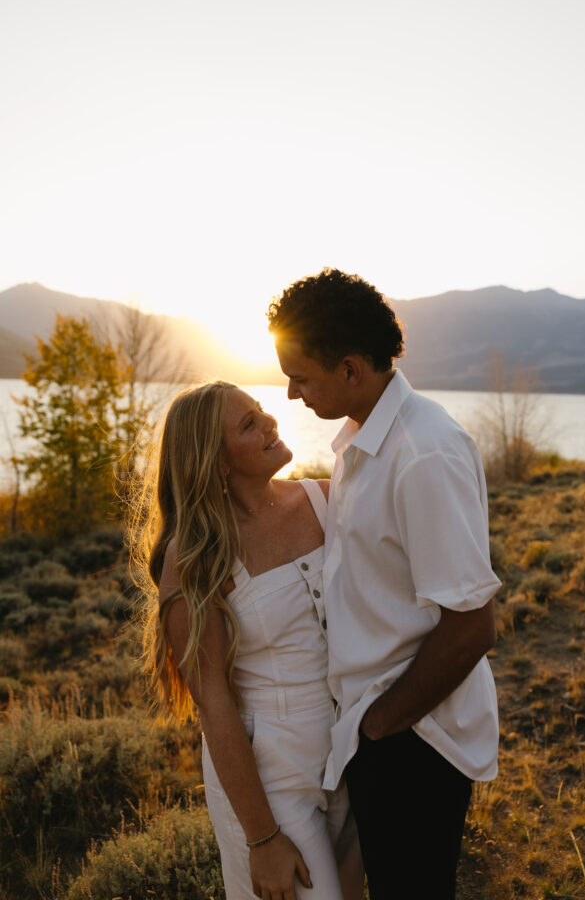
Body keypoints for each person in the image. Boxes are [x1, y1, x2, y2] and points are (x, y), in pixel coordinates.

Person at [268, 269, 502, 900]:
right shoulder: (361, 443)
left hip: (413, 738)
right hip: (373, 731)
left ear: (350, 369)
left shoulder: (423, 453)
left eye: (301, 375)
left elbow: (473, 625)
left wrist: (381, 726)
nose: (290, 393)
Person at [129, 380, 363, 900]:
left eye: (261, 412)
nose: (271, 423)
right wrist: (262, 837)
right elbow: (212, 702)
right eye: (248, 424)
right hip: (268, 777)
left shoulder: (325, 499)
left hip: (348, 752)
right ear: (216, 461)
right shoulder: (194, 556)